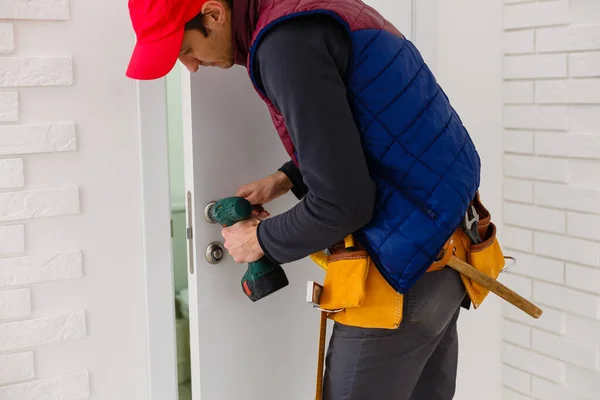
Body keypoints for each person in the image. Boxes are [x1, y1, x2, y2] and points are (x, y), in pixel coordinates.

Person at [126, 0, 481, 398]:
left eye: (186, 50)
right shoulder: (307, 13)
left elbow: (343, 204)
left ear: (213, 14)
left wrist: (258, 239)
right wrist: (285, 178)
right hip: (448, 248)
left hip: (406, 270)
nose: (189, 66)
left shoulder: (284, 45)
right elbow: (374, 119)